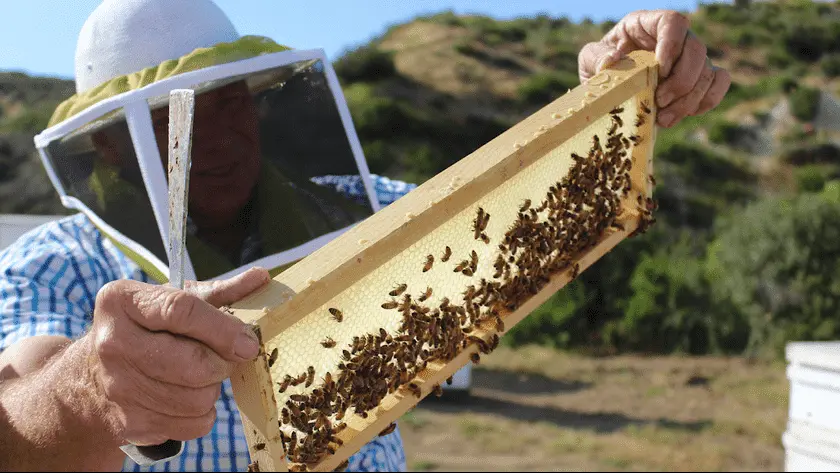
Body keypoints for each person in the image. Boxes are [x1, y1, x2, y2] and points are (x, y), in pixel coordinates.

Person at [0, 0, 729, 471]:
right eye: (172, 121)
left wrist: (607, 95)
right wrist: (83, 391)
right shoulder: (55, 265)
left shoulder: (362, 209)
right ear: (107, 147)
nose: (216, 136)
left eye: (229, 102)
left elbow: (506, 216)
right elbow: (17, 412)